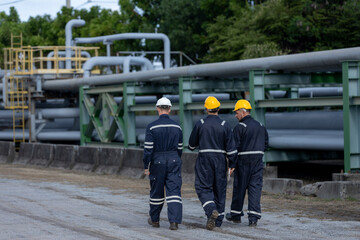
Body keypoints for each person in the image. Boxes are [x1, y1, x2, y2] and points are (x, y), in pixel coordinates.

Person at [188, 96, 237, 230]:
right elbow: (232, 149)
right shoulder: (225, 125)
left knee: (202, 187)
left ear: (206, 109)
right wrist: (232, 164)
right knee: (220, 189)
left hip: (204, 158)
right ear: (218, 109)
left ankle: (211, 211)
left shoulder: (201, 123)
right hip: (221, 159)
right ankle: (218, 221)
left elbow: (191, 146)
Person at [226, 99, 268, 227]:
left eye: (236, 112)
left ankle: (235, 215)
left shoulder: (240, 127)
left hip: (243, 160)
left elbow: (233, 147)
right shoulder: (261, 126)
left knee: (240, 187)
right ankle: (253, 218)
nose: (235, 115)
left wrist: (231, 163)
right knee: (255, 187)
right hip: (258, 160)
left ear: (243, 112)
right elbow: (266, 144)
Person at [143, 97, 183, 230]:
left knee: (156, 192)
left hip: (157, 161)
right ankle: (174, 222)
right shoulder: (177, 126)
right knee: (174, 191)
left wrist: (146, 165)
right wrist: (175, 159)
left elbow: (148, 149)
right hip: (173, 160)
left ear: (157, 108)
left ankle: (155, 220)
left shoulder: (152, 127)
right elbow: (180, 148)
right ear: (170, 109)